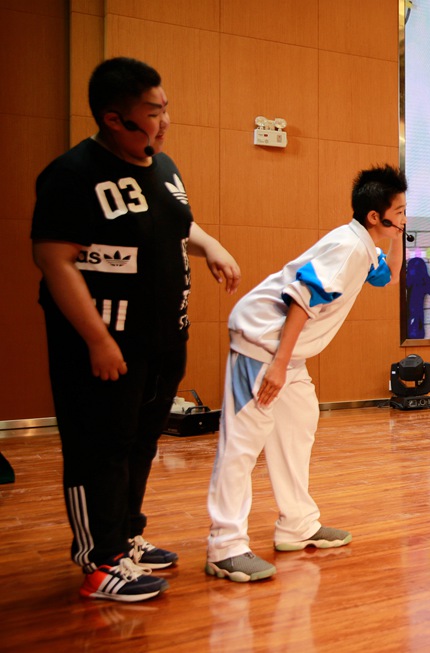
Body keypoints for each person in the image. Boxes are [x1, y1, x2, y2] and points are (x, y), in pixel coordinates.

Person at [30, 57, 241, 602]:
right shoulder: (72, 174)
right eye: (152, 112)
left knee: (140, 443)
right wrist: (98, 339)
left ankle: (125, 537)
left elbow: (177, 223)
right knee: (98, 448)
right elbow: (54, 259)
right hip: (105, 345)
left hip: (162, 339)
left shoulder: (162, 165)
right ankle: (99, 562)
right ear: (114, 119)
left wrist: (212, 245)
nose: (164, 121)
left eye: (165, 108)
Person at [205, 164, 408, 582]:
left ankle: (297, 524)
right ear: (375, 216)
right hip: (262, 345)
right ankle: (225, 547)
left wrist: (399, 235)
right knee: (243, 442)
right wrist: (278, 365)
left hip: (286, 354)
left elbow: (389, 277)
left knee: (298, 426)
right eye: (400, 211)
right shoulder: (347, 248)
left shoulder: (364, 247)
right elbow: (300, 297)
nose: (405, 217)